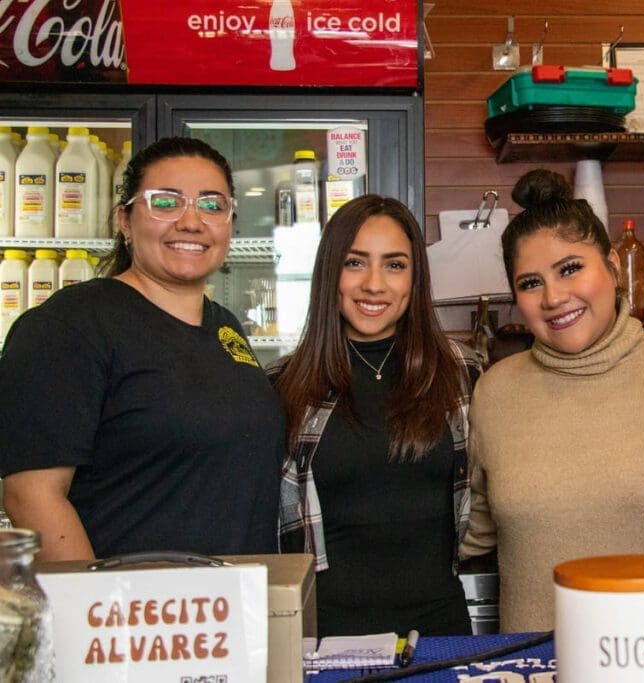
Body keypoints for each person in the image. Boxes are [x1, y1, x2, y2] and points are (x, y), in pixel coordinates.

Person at [0, 137, 284, 561]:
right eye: (165, 202)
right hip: (135, 616)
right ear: (125, 221)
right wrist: (99, 615)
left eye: (211, 205)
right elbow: (31, 496)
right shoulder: (71, 325)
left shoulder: (225, 326)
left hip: (228, 612)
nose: (191, 221)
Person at [460, 169, 644, 632]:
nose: (554, 297)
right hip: (535, 665)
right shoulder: (495, 390)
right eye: (530, 283)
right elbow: (473, 530)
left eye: (570, 268)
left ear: (614, 266)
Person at [271, 194, 482, 637]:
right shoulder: (282, 385)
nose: (374, 284)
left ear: (415, 278)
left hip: (440, 629)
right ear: (331, 273)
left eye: (394, 265)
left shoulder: (462, 373)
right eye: (354, 263)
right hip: (323, 635)